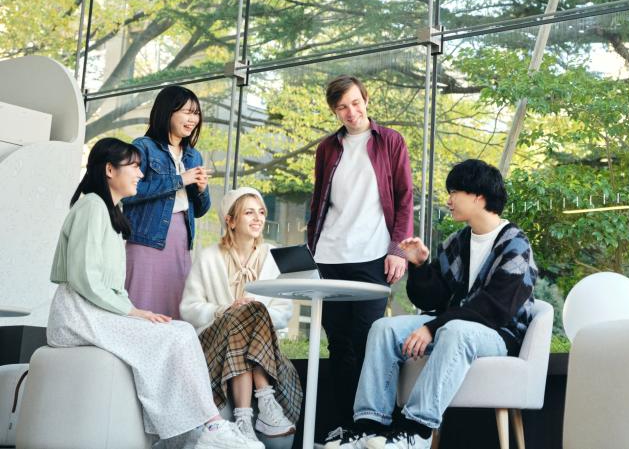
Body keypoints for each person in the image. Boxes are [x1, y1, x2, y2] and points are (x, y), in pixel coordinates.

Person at [46, 138, 262, 449]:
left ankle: (192, 432)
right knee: (173, 335)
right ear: (109, 170)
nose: (140, 173)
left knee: (181, 332)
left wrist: (130, 310)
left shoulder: (111, 209)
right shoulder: (92, 206)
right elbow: (85, 279)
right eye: (133, 166)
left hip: (93, 311)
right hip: (78, 315)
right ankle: (204, 430)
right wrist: (132, 311)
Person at [326, 159, 537, 449]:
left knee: (455, 331)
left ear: (478, 197)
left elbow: (493, 310)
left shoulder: (516, 245)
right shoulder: (458, 241)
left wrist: (432, 328)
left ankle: (416, 431)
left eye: (455, 192)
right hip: (454, 327)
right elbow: (432, 299)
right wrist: (421, 265)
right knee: (384, 328)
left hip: (499, 336)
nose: (449, 200)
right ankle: (369, 426)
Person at [308, 75, 414, 440]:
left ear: (366, 100)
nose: (351, 112)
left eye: (355, 103)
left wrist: (397, 248)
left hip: (372, 255)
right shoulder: (327, 148)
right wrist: (311, 249)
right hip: (331, 254)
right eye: (342, 107)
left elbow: (404, 198)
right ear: (334, 111)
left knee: (369, 338)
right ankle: (345, 426)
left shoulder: (390, 142)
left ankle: (372, 424)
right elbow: (319, 200)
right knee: (337, 342)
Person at [180, 187, 302, 442]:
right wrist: (224, 310)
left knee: (250, 313)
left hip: (258, 349)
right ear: (231, 220)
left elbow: (284, 312)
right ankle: (265, 399)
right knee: (245, 313)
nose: (258, 218)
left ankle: (244, 421)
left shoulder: (273, 256)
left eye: (261, 212)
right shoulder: (209, 257)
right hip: (214, 346)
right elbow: (188, 308)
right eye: (249, 213)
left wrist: (250, 314)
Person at [122, 84, 211, 319]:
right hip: (146, 237)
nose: (193, 119)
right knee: (141, 305)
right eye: (186, 112)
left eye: (196, 113)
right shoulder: (143, 147)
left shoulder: (194, 155)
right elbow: (130, 192)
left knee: (176, 309)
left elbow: (201, 210)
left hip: (181, 237)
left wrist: (201, 189)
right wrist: (179, 179)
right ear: (167, 112)